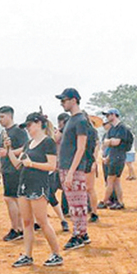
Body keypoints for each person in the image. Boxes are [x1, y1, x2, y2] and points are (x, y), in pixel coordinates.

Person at [11, 112, 64, 267]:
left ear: (39, 123)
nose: (27, 129)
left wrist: (32, 164)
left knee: (42, 221)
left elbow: (52, 166)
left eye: (29, 125)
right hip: (24, 184)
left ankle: (56, 254)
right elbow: (18, 164)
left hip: (38, 185)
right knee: (27, 222)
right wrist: (8, 150)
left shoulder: (48, 142)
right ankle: (27, 255)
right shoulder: (29, 143)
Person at [56, 88, 92, 250]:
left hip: (74, 168)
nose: (62, 103)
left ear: (74, 100)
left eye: (64, 100)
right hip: (67, 167)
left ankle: (78, 234)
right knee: (74, 203)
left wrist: (71, 172)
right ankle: (82, 233)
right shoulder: (72, 120)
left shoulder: (80, 120)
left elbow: (81, 148)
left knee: (78, 203)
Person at [0, 106, 29, 242]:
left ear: (10, 116)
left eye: (2, 117)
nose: (0, 120)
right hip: (6, 169)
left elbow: (26, 147)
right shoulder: (4, 132)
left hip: (16, 169)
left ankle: (17, 228)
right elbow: (1, 153)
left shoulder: (18, 131)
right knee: (12, 199)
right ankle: (18, 228)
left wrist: (10, 152)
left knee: (12, 199)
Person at [100, 108, 130, 209]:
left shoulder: (121, 127)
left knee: (110, 180)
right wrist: (110, 143)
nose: (107, 117)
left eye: (108, 115)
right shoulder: (112, 129)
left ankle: (104, 201)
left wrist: (109, 141)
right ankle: (120, 202)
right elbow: (107, 142)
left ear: (114, 115)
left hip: (118, 157)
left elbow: (116, 142)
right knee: (116, 181)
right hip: (113, 156)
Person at [84, 113, 101, 223]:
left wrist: (94, 161)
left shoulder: (90, 131)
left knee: (89, 188)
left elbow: (96, 147)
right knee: (88, 189)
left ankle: (94, 212)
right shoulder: (92, 131)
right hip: (86, 160)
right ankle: (92, 212)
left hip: (88, 160)